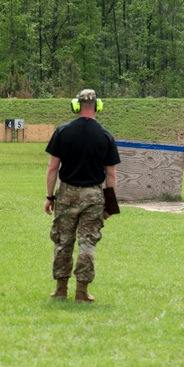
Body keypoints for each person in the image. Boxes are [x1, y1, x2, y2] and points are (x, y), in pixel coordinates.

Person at [44, 89, 121, 302]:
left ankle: (60, 290)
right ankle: (81, 292)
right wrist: (110, 205)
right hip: (94, 196)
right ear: (98, 106)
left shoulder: (62, 131)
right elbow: (111, 173)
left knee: (63, 241)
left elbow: (53, 168)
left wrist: (50, 197)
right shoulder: (105, 135)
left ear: (76, 105)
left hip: (67, 194)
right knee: (87, 243)